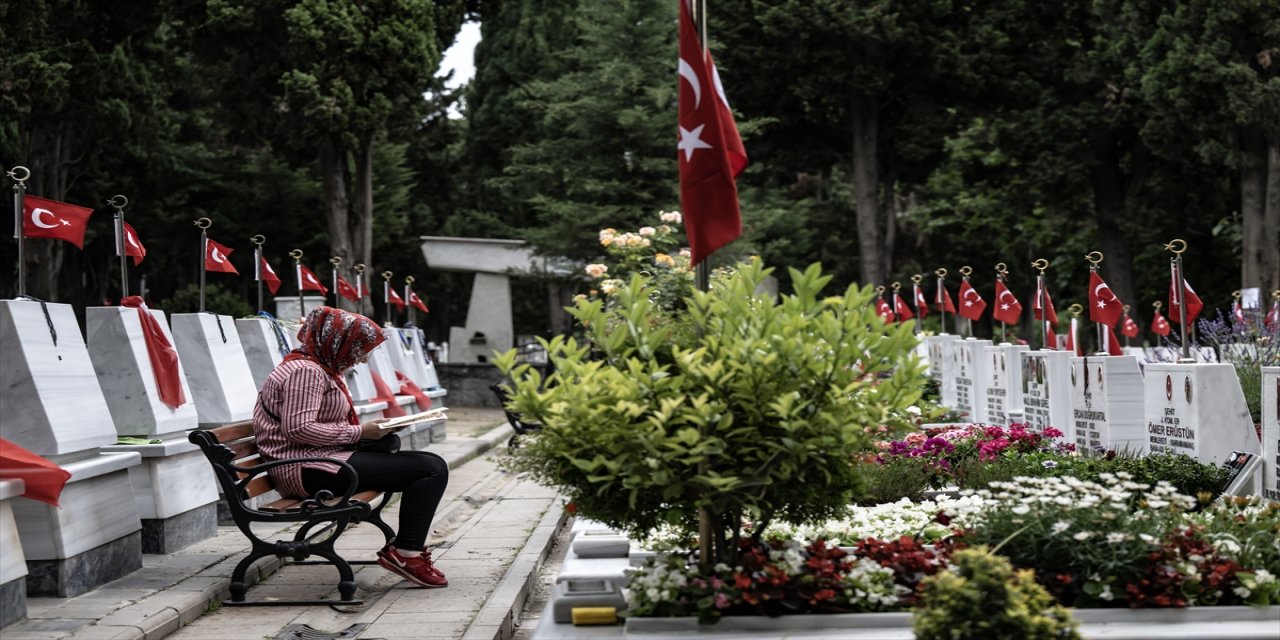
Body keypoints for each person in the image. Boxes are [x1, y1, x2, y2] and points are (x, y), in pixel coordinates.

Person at [254, 306, 449, 588]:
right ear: (339, 342)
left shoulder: (319, 367)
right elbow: (298, 429)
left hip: (321, 459)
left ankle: (406, 549)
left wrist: (378, 431)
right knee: (431, 468)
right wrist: (360, 432)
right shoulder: (305, 372)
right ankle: (406, 553)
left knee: (402, 450)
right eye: (359, 349)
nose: (362, 359)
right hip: (304, 468)